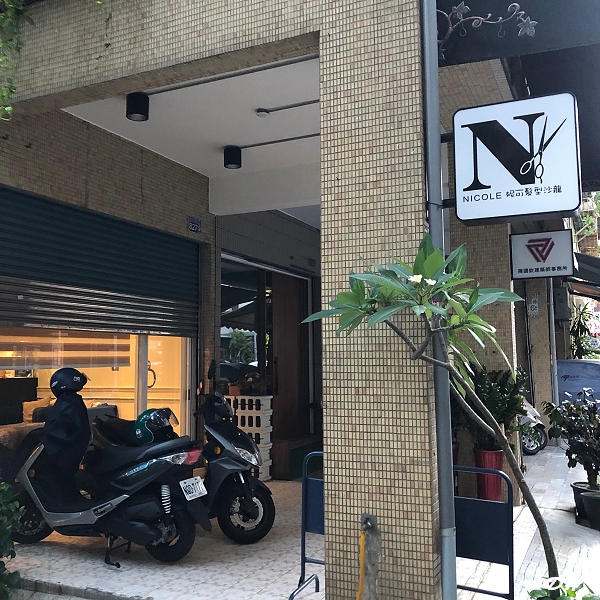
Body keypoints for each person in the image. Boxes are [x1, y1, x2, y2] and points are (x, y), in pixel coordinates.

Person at [33, 368, 91, 507]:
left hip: (61, 458)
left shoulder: (66, 404)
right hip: (71, 456)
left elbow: (57, 430)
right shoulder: (74, 402)